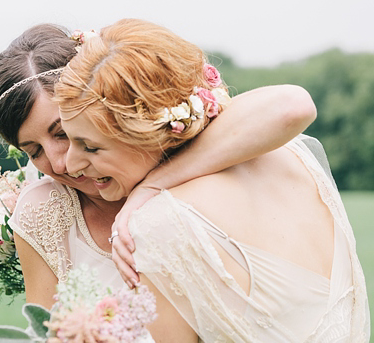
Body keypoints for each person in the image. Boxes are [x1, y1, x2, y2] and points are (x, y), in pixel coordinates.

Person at [55, 18, 370, 342]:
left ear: (148, 133)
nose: (70, 162)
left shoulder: (160, 225)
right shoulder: (295, 158)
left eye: (90, 146)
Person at [0, 24, 317, 309]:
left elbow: (292, 106)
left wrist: (152, 185)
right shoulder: (44, 214)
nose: (61, 162)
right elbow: (44, 331)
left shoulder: (208, 165)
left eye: (63, 133)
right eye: (33, 151)